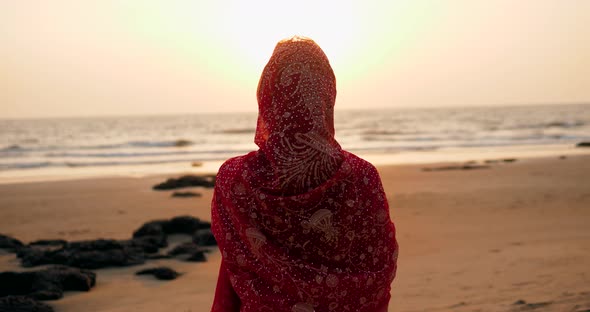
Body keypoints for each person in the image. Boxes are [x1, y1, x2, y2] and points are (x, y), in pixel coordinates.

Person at [211, 36, 398, 312]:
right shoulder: (362, 177)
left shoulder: (235, 179)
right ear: (327, 96)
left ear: (267, 96)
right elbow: (380, 270)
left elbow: (236, 266)